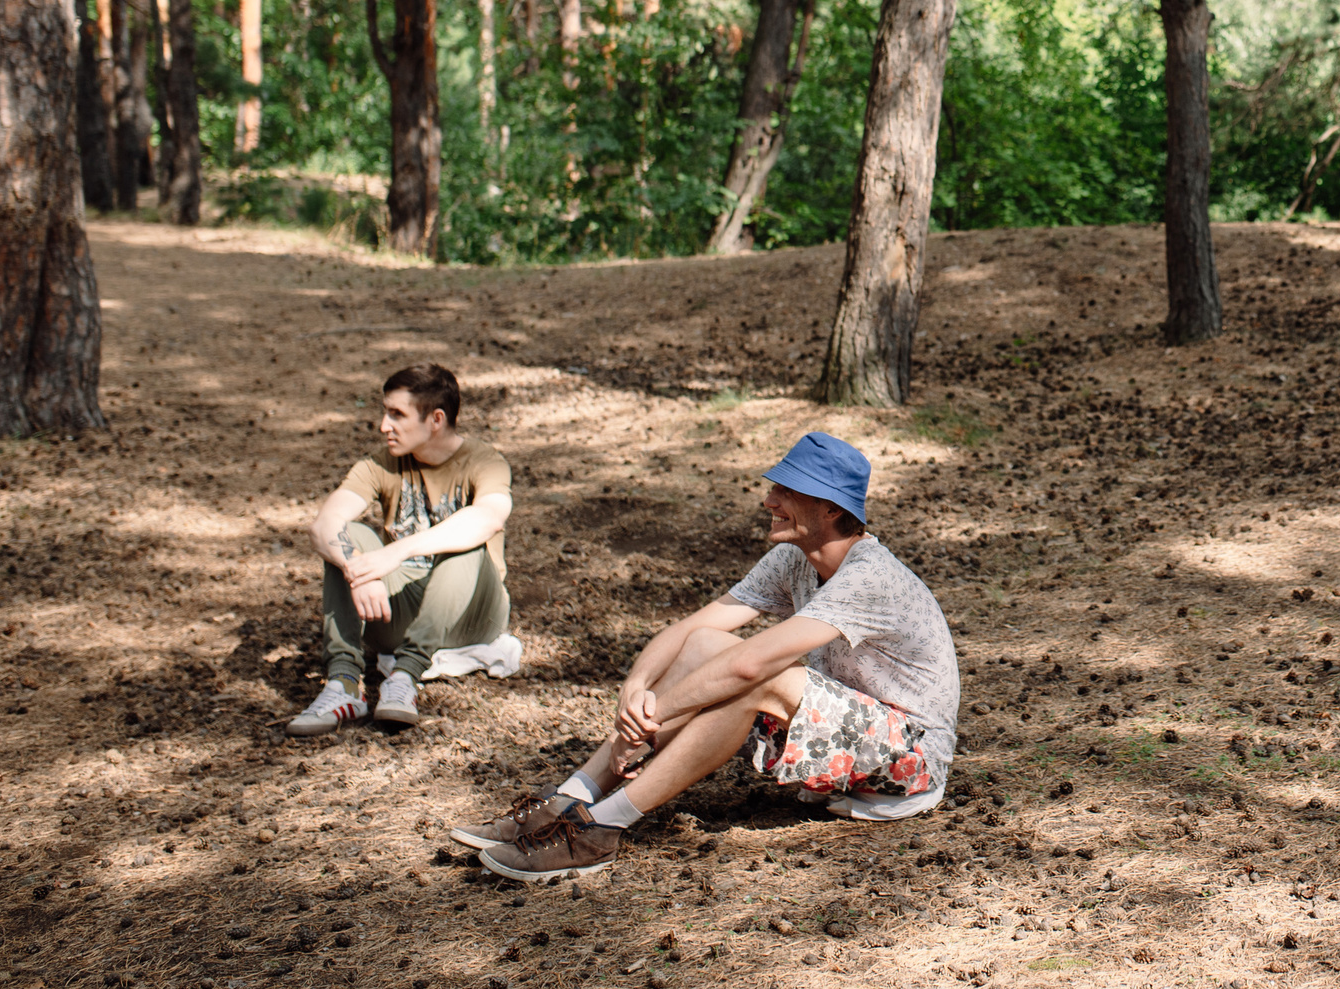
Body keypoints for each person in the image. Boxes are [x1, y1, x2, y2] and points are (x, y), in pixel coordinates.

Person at [455, 431, 958, 882]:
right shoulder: (794, 557)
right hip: (848, 736)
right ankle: (574, 796)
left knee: (763, 676)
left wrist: (650, 720)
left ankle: (602, 829)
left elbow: (749, 666)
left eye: (787, 492)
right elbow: (693, 629)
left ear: (830, 509)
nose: (769, 501)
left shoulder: (868, 576)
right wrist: (635, 687)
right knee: (704, 648)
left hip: (908, 760)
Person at [287, 364, 516, 736]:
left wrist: (393, 553)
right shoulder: (380, 465)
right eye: (385, 412)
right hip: (395, 609)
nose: (383, 425)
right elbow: (324, 524)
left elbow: (489, 518)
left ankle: (406, 676)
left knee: (465, 543)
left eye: (397, 414)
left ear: (436, 419)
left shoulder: (485, 461)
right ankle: (344, 683)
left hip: (472, 616)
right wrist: (355, 568)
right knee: (348, 535)